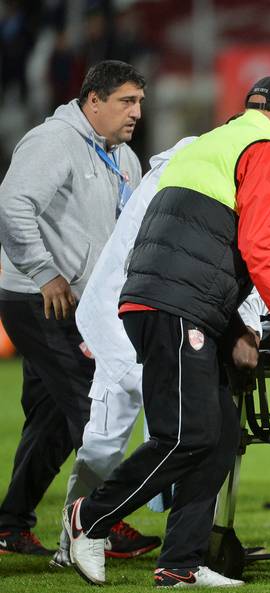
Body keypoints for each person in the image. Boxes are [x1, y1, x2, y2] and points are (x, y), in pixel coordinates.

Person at [63, 75, 270, 588]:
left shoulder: (214, 141)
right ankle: (91, 518)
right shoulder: (267, 147)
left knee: (217, 435)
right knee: (184, 436)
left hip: (162, 299)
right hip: (176, 305)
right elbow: (261, 243)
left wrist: (233, 321)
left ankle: (180, 563)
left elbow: (209, 239)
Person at [0, 59, 149, 557]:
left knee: (52, 421)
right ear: (93, 101)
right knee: (95, 406)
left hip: (84, 303)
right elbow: (13, 204)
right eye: (127, 102)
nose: (136, 112)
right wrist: (45, 272)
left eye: (141, 102)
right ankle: (99, 519)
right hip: (37, 297)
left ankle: (9, 524)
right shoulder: (53, 142)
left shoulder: (123, 156)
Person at [50, 138, 199, 570]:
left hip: (132, 310)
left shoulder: (175, 173)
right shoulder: (182, 178)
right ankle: (86, 531)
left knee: (127, 433)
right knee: (127, 434)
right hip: (121, 316)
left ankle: (77, 537)